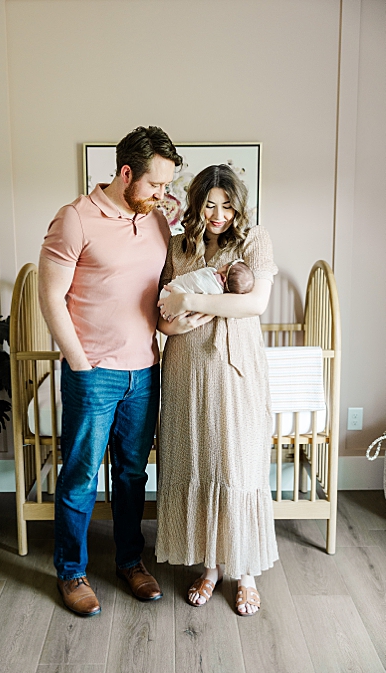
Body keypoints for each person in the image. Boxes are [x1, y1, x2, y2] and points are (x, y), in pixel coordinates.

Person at [38, 126, 182, 617]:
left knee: (131, 474)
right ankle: (71, 572)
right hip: (93, 373)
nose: (164, 195)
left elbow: (162, 285)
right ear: (126, 174)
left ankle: (128, 561)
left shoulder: (158, 221)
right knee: (80, 475)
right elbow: (50, 296)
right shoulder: (75, 219)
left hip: (145, 372)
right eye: (156, 185)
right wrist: (79, 362)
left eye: (167, 186)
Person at [155, 163, 278, 616]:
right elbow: (161, 318)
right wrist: (179, 315)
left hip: (235, 370)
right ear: (196, 205)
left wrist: (191, 299)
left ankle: (244, 571)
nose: (219, 214)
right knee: (199, 462)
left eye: (227, 205)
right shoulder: (178, 247)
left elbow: (255, 303)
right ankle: (209, 566)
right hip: (187, 368)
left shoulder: (253, 241)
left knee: (237, 466)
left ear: (238, 206)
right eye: (210, 204)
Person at [158, 259, 254, 301]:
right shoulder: (220, 295)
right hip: (171, 294)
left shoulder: (212, 280)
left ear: (224, 278)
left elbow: (197, 281)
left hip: (168, 294)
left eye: (226, 265)